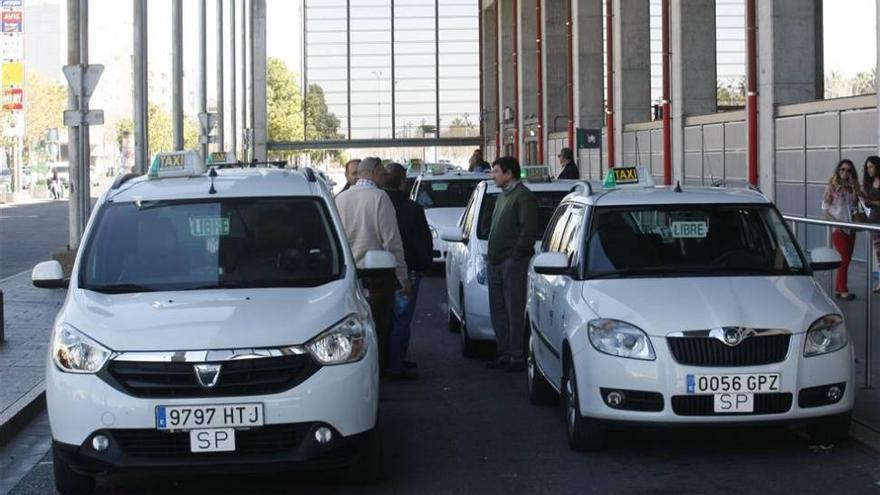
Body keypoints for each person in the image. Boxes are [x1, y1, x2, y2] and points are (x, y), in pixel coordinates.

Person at [335, 157, 411, 370]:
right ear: (375, 172)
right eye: (383, 172)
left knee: (352, 329)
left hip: (348, 276)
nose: (385, 177)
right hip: (378, 277)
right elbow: (392, 242)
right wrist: (403, 277)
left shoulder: (340, 199)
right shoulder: (380, 197)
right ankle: (378, 371)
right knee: (378, 328)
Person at [485, 156, 538, 372]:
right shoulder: (502, 197)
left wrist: (515, 256)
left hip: (512, 263)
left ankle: (517, 356)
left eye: (496, 171)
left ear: (509, 174)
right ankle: (504, 352)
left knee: (513, 309)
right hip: (496, 261)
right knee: (498, 309)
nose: (493, 175)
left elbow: (528, 230)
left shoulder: (522, 196)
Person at [383, 162, 433, 378]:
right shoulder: (413, 209)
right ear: (403, 183)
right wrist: (424, 266)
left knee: (382, 319)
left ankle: (384, 362)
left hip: (377, 272)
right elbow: (423, 243)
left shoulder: (377, 204)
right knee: (401, 320)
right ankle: (396, 363)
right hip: (408, 271)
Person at [822, 159, 861, 300]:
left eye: (849, 170)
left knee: (847, 259)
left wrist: (855, 189)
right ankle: (842, 289)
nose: (845, 172)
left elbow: (857, 205)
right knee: (843, 259)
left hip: (851, 226)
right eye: (842, 169)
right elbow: (824, 209)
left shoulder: (852, 187)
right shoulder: (832, 186)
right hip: (839, 228)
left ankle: (840, 289)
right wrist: (836, 223)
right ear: (838, 170)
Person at [861, 155, 880, 293]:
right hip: (874, 219)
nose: (869, 170)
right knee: (878, 252)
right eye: (867, 167)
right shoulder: (868, 183)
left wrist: (871, 202)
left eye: (871, 166)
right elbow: (867, 202)